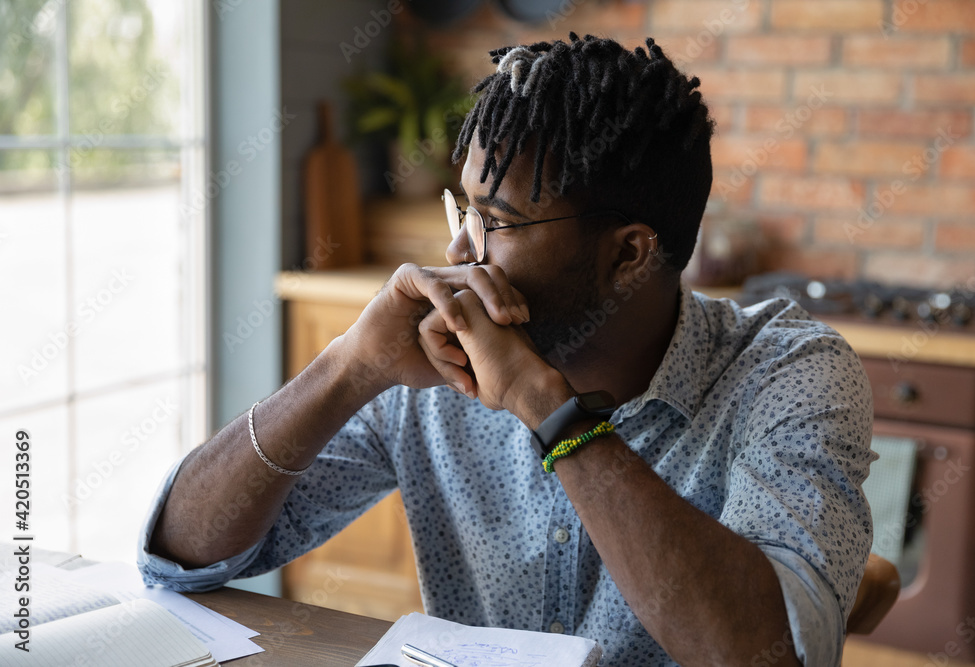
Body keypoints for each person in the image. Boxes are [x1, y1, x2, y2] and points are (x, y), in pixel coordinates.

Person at [138, 34, 875, 666]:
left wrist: (548, 408)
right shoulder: (431, 362)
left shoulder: (790, 373)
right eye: (463, 208)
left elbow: (768, 654)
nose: (461, 250)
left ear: (629, 257)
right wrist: (347, 366)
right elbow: (181, 554)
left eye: (497, 220)